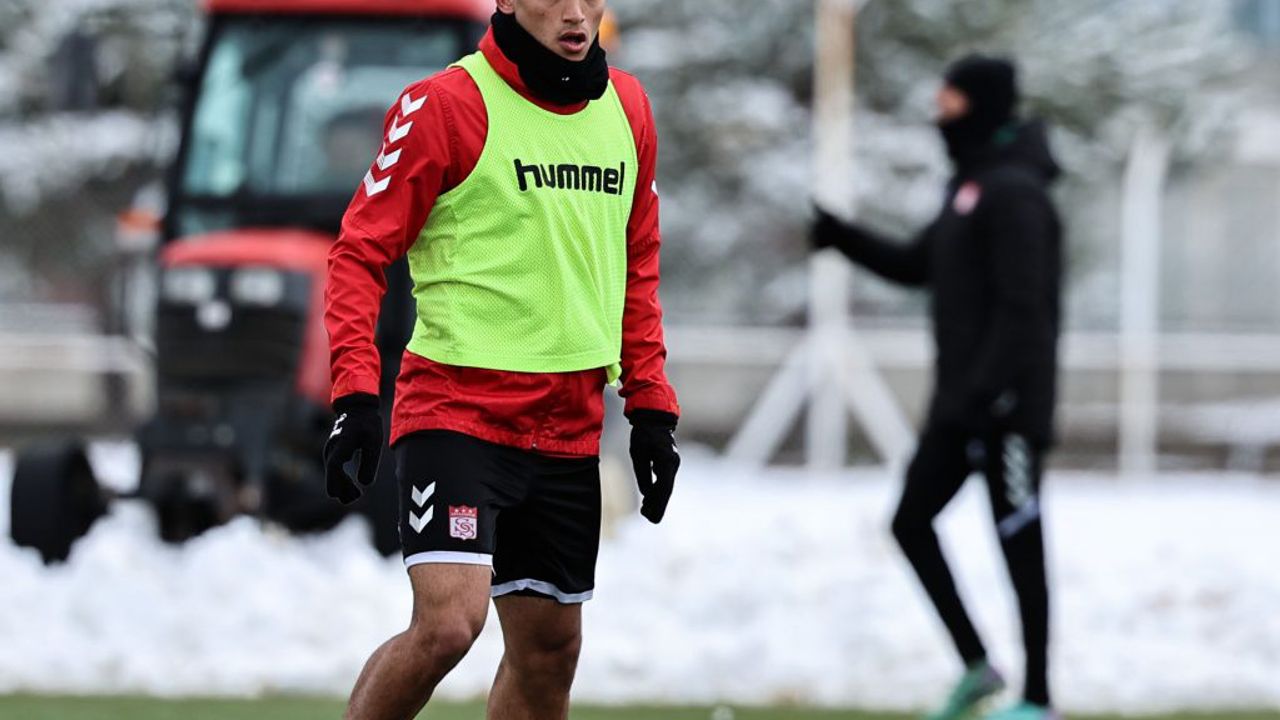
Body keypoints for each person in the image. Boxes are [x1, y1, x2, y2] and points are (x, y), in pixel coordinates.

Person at [321, 1, 681, 717]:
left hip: (569, 423)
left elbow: (637, 266)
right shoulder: (445, 105)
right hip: (456, 412)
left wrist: (650, 408)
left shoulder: (630, 109)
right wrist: (355, 395)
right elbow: (359, 253)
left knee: (549, 654)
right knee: (449, 625)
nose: (576, 14)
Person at [812, 55, 1062, 720]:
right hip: (961, 406)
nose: (938, 110)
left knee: (1019, 542)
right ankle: (978, 667)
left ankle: (1038, 700)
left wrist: (992, 394)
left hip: (1006, 407)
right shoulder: (969, 187)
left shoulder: (1015, 192)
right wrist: (841, 237)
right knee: (910, 522)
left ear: (979, 103)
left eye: (949, 98)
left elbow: (1025, 311)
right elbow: (916, 263)